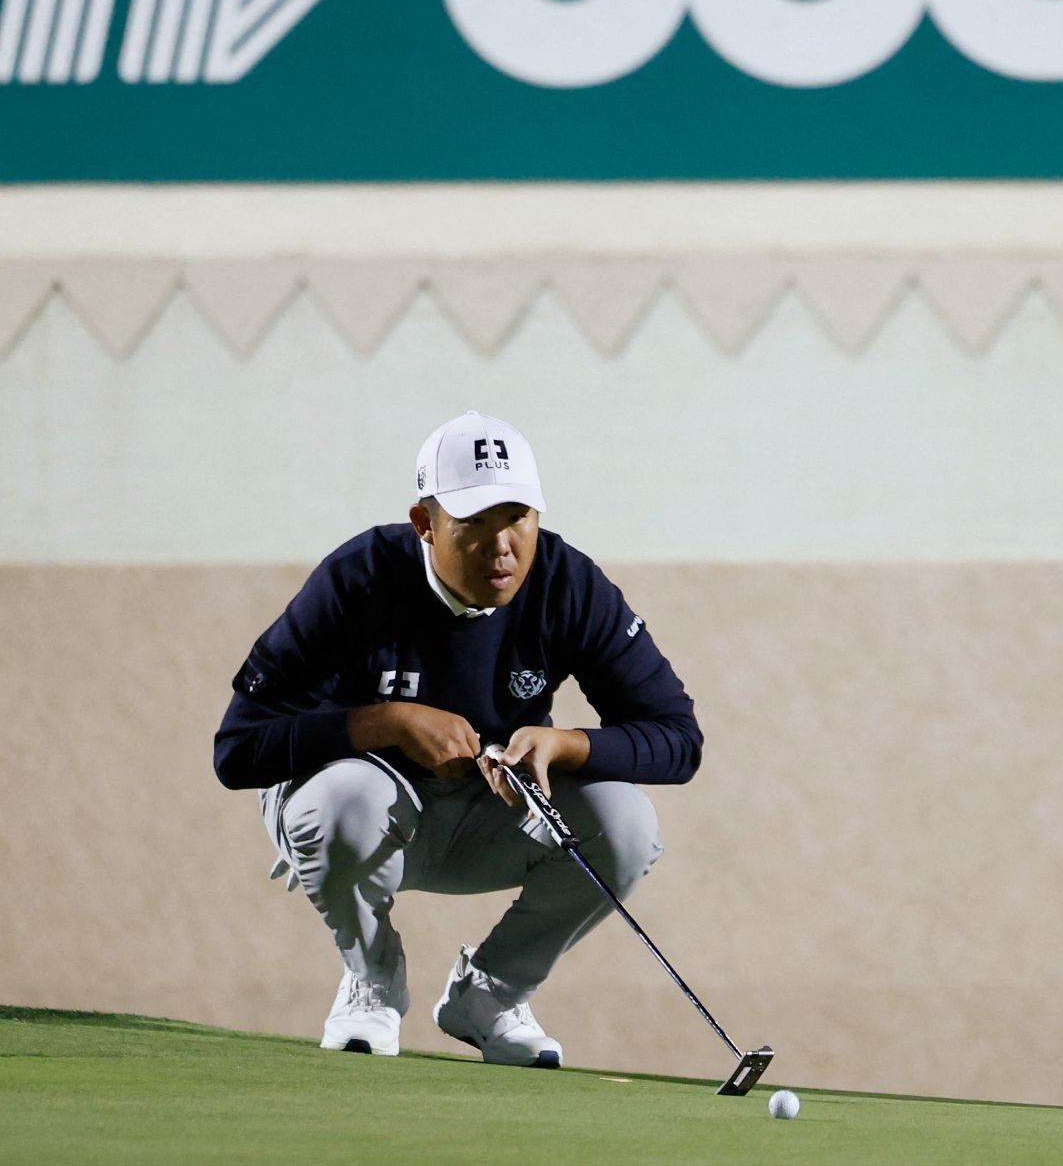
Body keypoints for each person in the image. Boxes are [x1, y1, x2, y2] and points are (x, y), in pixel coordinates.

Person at [213, 410, 702, 1066]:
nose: (503, 543)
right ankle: (371, 981)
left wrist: (565, 745)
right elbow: (237, 749)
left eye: (518, 516)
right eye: (474, 521)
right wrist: (380, 722)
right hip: (359, 819)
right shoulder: (359, 577)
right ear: (426, 523)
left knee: (628, 825)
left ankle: (490, 997)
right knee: (343, 802)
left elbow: (678, 738)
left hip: (483, 820)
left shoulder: (567, 582)